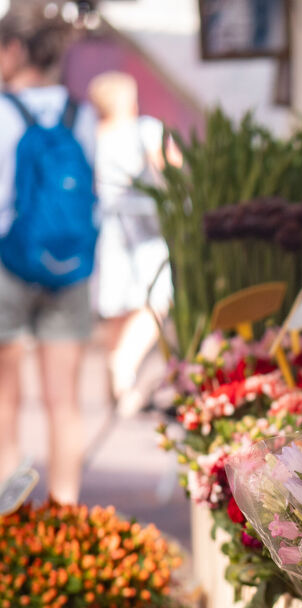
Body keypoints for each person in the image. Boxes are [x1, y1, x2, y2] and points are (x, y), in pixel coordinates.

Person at [0, 8, 97, 504]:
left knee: (5, 400)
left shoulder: (2, 111)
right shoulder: (81, 113)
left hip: (6, 265)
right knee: (64, 402)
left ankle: (7, 514)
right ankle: (66, 513)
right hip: (69, 266)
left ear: (15, 51)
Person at [88, 71, 177, 414]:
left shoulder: (94, 135)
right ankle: (123, 364)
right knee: (156, 301)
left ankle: (118, 389)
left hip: (105, 227)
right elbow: (172, 166)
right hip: (144, 225)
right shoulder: (146, 129)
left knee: (116, 310)